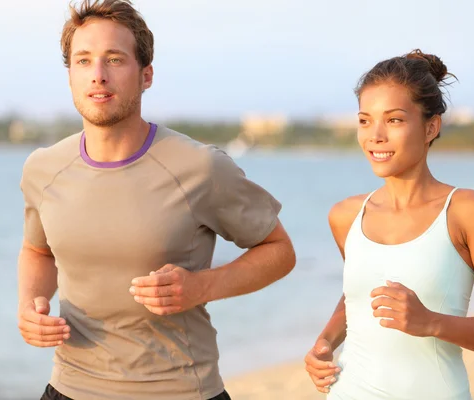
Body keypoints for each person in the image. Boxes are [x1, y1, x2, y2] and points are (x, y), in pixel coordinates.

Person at [17, 1, 296, 399]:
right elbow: (37, 250)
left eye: (114, 59)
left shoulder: (200, 166)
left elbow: (279, 251)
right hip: (68, 388)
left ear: (146, 75)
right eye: (83, 61)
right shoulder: (43, 169)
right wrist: (31, 306)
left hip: (179, 391)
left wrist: (202, 286)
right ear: (70, 76)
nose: (98, 75)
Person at [304, 50, 474, 399]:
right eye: (364, 120)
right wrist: (325, 341)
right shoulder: (345, 216)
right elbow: (357, 298)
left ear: (430, 127)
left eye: (394, 120)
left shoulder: (467, 211)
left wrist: (430, 322)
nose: (375, 135)